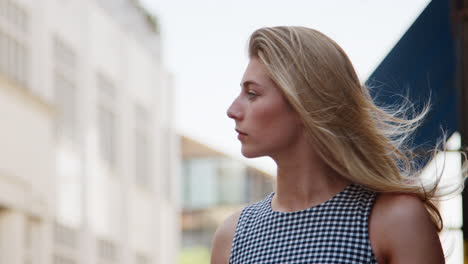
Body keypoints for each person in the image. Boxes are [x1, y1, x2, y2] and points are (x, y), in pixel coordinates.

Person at [211, 26, 462, 264]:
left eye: (252, 94)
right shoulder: (232, 236)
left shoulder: (396, 220)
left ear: (305, 102)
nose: (232, 110)